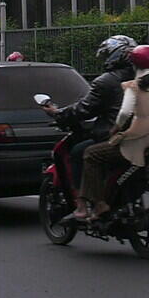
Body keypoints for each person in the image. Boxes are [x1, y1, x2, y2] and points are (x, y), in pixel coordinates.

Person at [39, 34, 136, 217]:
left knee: (80, 152)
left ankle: (85, 202)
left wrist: (58, 113)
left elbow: (84, 109)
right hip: (147, 136)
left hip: (119, 137)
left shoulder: (107, 81)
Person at [78, 44, 149, 220]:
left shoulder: (134, 87)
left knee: (90, 154)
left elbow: (124, 113)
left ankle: (99, 204)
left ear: (133, 65)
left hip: (138, 142)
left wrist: (116, 128)